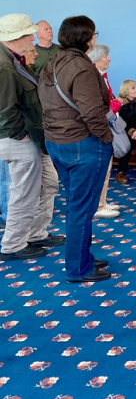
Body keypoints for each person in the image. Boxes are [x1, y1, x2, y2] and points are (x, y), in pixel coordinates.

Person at [38, 15, 113, 283]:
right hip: (82, 144)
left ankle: (81, 259)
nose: (95, 38)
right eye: (94, 34)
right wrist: (106, 139)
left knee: (76, 206)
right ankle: (78, 268)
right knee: (81, 208)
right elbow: (93, 112)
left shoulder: (53, 61)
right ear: (87, 38)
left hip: (57, 142)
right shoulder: (81, 67)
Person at [0, 13, 62, 261]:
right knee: (24, 192)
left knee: (48, 185)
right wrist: (22, 137)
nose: (33, 38)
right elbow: (5, 111)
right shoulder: (4, 66)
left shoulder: (12, 60)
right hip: (20, 140)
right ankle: (13, 244)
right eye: (29, 34)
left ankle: (36, 233)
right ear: (16, 37)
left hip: (32, 138)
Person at [88, 44, 122, 219]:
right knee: (101, 167)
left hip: (105, 128)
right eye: (105, 56)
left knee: (106, 168)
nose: (109, 59)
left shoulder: (103, 76)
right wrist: (117, 104)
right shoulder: (93, 78)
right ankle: (98, 206)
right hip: (99, 129)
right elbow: (102, 106)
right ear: (95, 59)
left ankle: (101, 201)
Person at [115, 80, 136, 185]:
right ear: (126, 90)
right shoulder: (119, 103)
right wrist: (131, 131)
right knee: (126, 143)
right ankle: (121, 172)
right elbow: (119, 121)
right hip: (125, 131)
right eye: (133, 88)